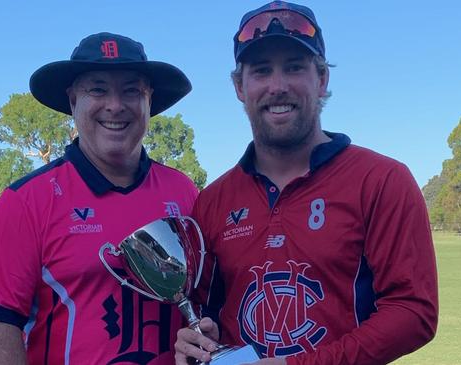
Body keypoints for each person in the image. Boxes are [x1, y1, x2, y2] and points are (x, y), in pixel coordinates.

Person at [174, 2, 438, 364]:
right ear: (239, 86)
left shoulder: (382, 180)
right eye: (261, 71)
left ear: (322, 78)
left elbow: (414, 312)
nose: (278, 86)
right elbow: (206, 311)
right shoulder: (213, 201)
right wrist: (196, 339)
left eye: (294, 68)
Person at [0, 32, 198, 364]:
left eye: (132, 90)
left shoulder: (183, 192)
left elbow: (203, 302)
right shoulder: (26, 200)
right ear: (74, 101)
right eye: (98, 89)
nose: (115, 105)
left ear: (150, 101)